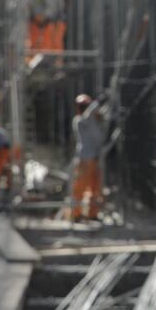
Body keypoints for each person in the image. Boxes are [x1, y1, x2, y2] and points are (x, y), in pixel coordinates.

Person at [69, 93, 106, 221]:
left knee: (95, 188)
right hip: (85, 158)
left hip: (96, 158)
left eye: (86, 105)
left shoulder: (95, 120)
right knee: (80, 187)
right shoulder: (79, 120)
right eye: (82, 106)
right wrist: (98, 102)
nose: (84, 108)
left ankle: (92, 213)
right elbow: (88, 115)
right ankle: (76, 214)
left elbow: (99, 116)